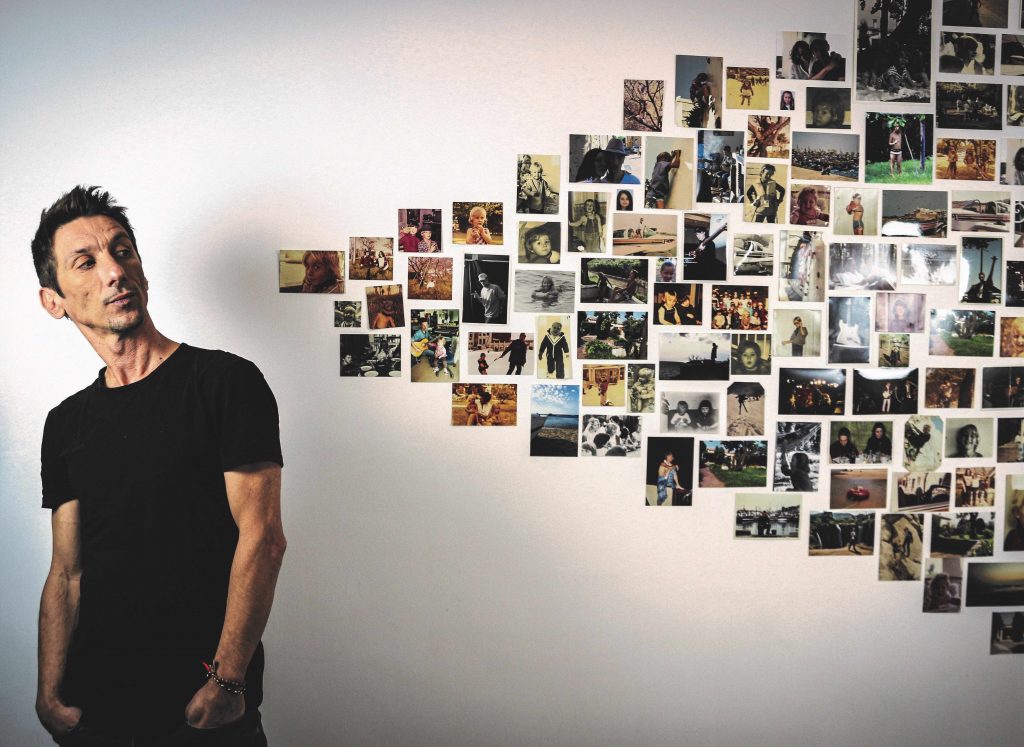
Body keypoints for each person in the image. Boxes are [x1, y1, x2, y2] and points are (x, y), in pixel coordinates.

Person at [32, 186, 285, 744]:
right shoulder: (65, 423)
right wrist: (48, 692)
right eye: (86, 262)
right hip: (95, 706)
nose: (114, 272)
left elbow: (263, 538)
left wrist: (228, 681)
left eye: (122, 251)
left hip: (201, 707)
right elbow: (67, 572)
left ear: (142, 270)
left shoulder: (226, 383)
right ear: (54, 300)